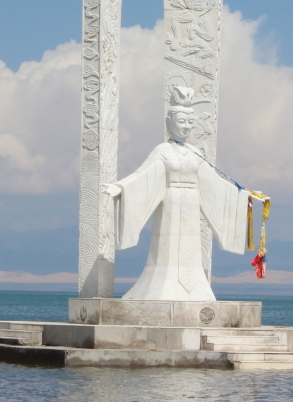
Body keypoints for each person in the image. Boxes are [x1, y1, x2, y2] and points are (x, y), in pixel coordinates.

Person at [105, 86, 250, 301]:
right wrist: (122, 187)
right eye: (182, 122)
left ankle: (195, 286)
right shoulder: (162, 151)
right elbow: (143, 175)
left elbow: (213, 181)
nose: (186, 127)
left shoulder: (195, 152)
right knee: (167, 247)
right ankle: (160, 284)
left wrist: (244, 195)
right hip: (170, 201)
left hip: (192, 202)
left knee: (191, 248)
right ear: (169, 123)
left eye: (190, 123)